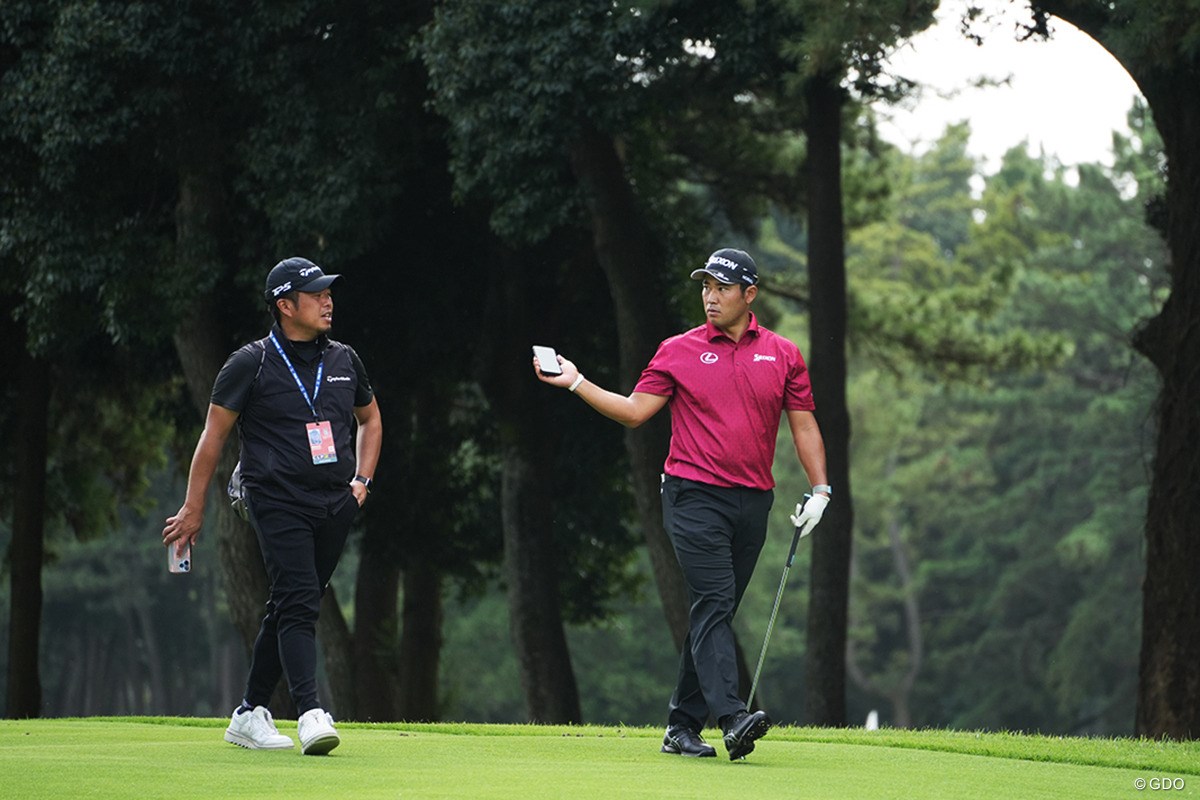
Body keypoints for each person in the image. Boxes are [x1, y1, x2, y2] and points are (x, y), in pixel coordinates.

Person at [533, 248, 830, 761]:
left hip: (754, 500)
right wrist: (577, 382)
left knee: (714, 611)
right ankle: (733, 718)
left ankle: (681, 726)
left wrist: (821, 490)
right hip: (692, 496)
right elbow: (633, 412)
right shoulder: (678, 350)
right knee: (715, 602)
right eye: (705, 287)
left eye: (721, 288)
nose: (710, 297)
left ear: (749, 295)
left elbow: (803, 423)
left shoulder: (782, 354)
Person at [163, 256, 382, 755]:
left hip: (335, 503)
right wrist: (194, 506)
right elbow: (212, 437)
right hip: (274, 498)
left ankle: (248, 712)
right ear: (285, 305)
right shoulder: (251, 362)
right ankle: (310, 712)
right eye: (316, 294)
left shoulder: (345, 359)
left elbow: (370, 420)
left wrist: (362, 482)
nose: (328, 300)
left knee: (289, 604)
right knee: (302, 602)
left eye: (329, 292)